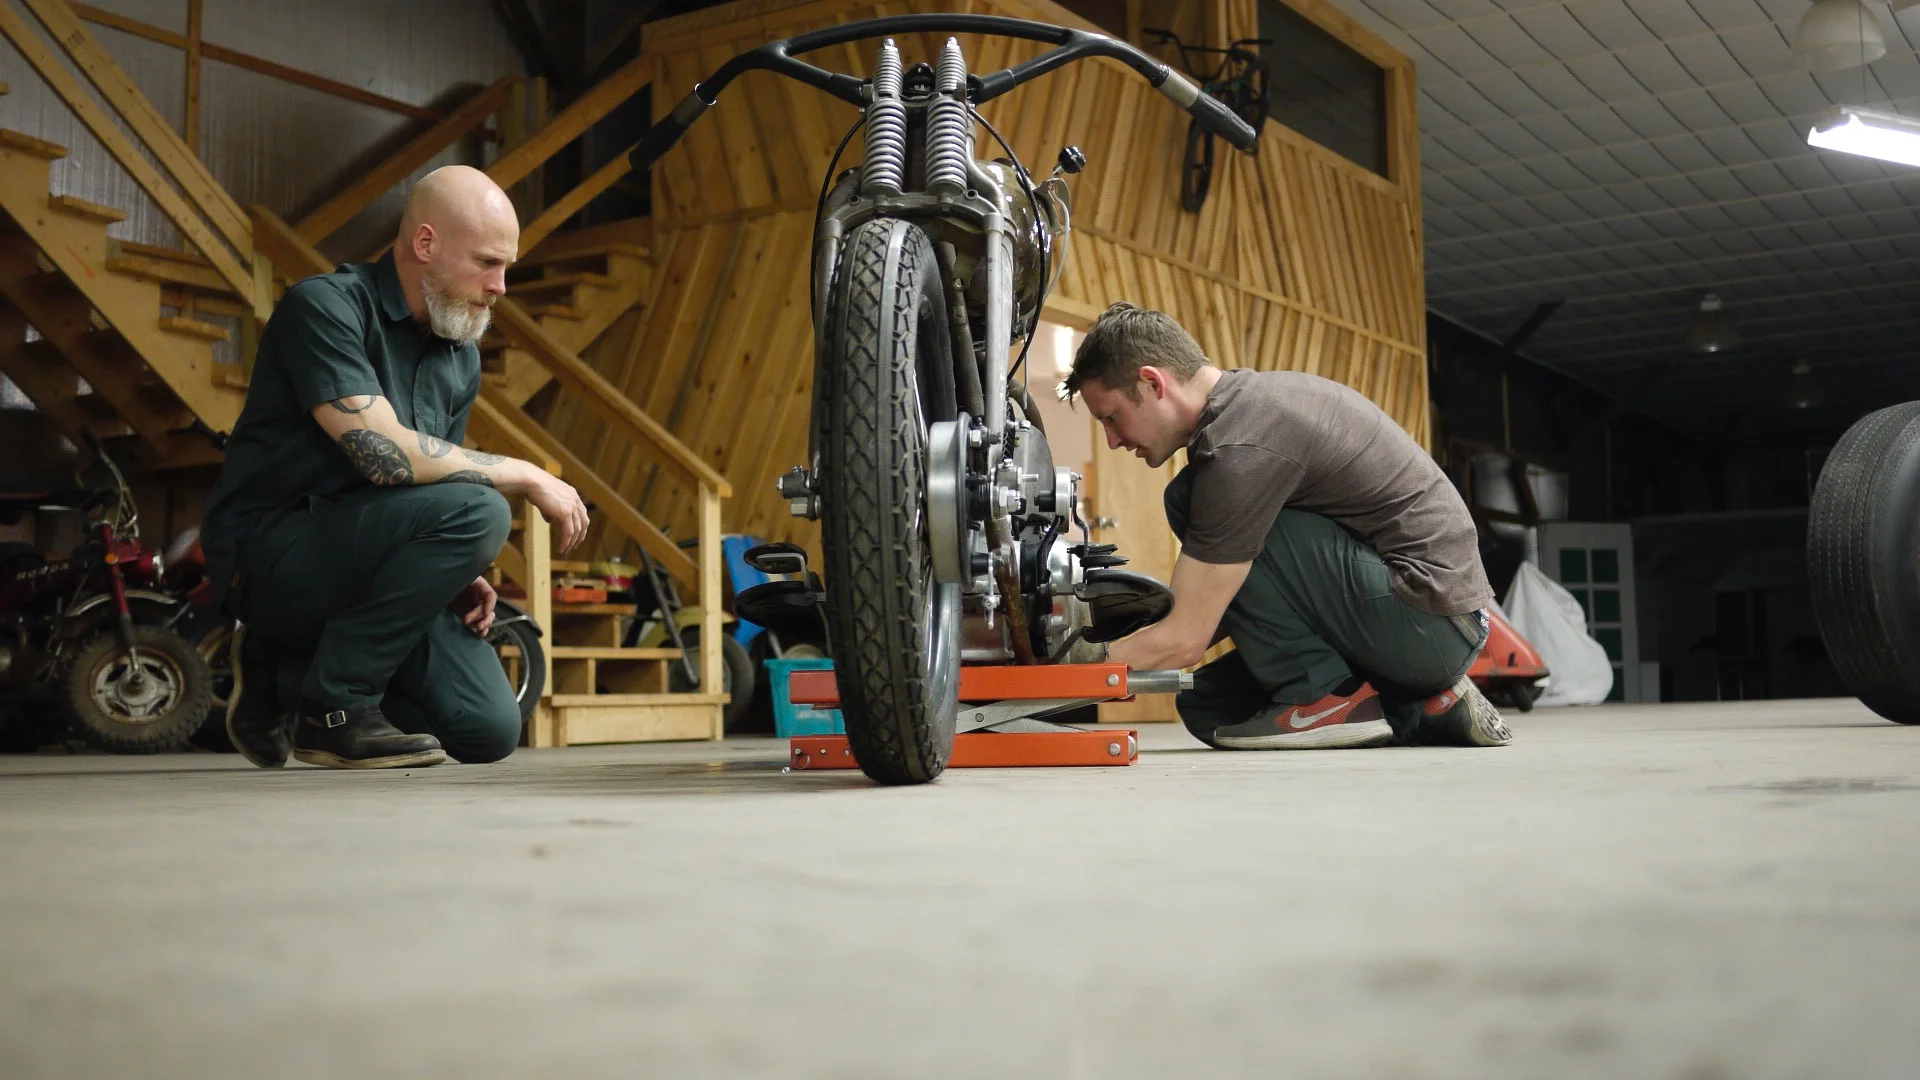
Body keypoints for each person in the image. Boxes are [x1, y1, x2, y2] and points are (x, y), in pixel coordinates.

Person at [201, 165, 590, 770]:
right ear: (426, 243)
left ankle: (280, 673)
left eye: (506, 267)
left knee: (488, 729)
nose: (500, 287)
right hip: (270, 557)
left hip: (364, 555)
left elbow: (434, 482)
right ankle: (334, 709)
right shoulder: (325, 306)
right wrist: (528, 474)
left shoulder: (459, 356)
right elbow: (384, 456)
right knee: (483, 509)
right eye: (487, 263)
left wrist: (450, 569)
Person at [1066, 303, 1510, 750]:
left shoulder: (1240, 449)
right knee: (1210, 704)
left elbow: (1186, 639)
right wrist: (1137, 646)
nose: (1112, 440)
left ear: (1152, 382)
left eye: (1110, 417)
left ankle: (1323, 700)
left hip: (1430, 620)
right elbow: (1224, 606)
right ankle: (1427, 706)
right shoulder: (1249, 408)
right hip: (1427, 622)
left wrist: (1068, 670)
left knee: (1194, 500)